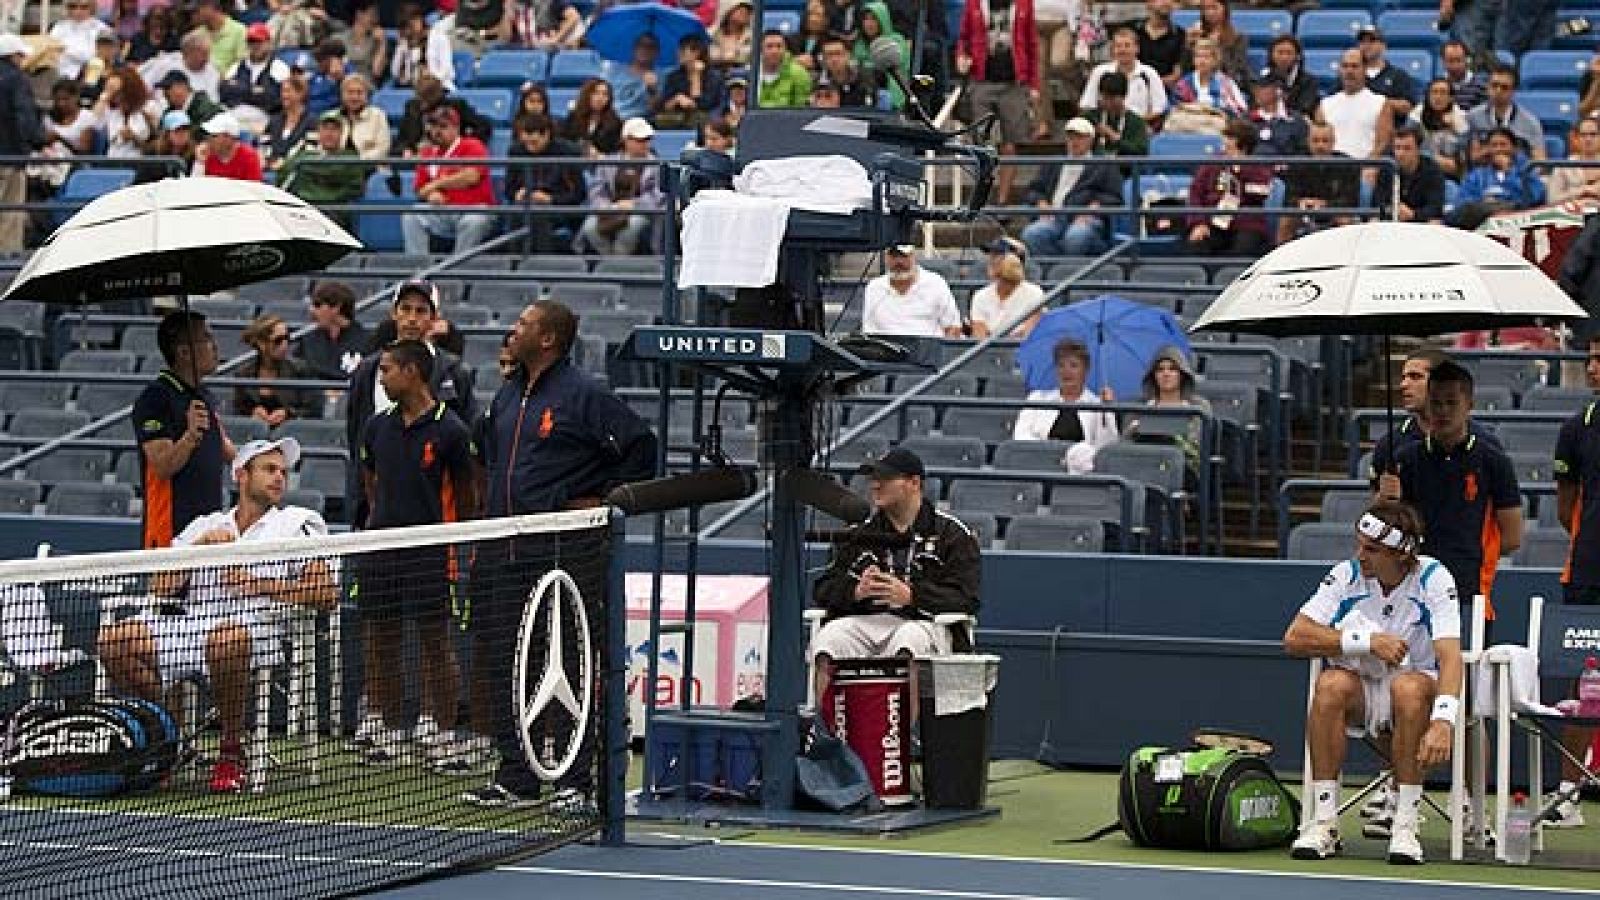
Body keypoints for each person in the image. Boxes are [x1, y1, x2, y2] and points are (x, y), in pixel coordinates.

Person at [463, 298, 657, 807]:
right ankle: (517, 777)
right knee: (509, 661)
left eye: (524, 323)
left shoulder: (585, 394)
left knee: (572, 660)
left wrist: (603, 497)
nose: (514, 328)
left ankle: (575, 780)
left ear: (547, 338)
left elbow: (642, 447)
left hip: (567, 550)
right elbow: (490, 459)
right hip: (504, 549)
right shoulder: (506, 395)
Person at [98, 438, 338, 793]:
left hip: (258, 628)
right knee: (114, 641)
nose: (279, 479)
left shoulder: (298, 523)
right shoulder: (204, 524)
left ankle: (230, 750)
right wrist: (197, 551)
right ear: (241, 475)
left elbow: (326, 594)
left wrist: (259, 585)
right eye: (269, 470)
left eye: (283, 472)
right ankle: (168, 739)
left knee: (226, 638)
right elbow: (159, 590)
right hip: (188, 625)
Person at [1284, 500, 1464, 865]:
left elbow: (1450, 657)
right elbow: (1295, 638)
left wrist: (1444, 720)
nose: (1360, 556)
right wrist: (1367, 642)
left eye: (1372, 550)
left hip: (1419, 685)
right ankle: (1324, 824)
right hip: (1364, 688)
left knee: (1408, 688)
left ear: (1402, 554)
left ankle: (1405, 827)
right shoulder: (1346, 574)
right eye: (1359, 545)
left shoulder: (1434, 577)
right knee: (1331, 684)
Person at [356, 339, 478, 769]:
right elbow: (372, 486)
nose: (382, 377)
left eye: (387, 369)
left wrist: (460, 546)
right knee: (380, 640)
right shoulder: (375, 427)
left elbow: (466, 498)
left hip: (432, 554)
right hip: (381, 549)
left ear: (412, 372)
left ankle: (440, 732)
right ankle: (388, 731)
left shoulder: (453, 432)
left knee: (435, 641)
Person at [809, 446, 981, 700]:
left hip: (924, 623)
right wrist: (855, 592)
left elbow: (966, 599)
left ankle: (902, 737)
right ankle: (826, 733)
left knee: (908, 640)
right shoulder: (858, 533)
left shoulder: (952, 534)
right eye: (873, 479)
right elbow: (822, 589)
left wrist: (912, 596)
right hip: (867, 620)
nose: (875, 486)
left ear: (913, 483)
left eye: (885, 479)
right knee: (829, 639)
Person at [1376, 361, 1522, 633]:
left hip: (1471, 591)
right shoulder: (1403, 460)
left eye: (1451, 402)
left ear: (1469, 404)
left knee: (1464, 673)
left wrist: (1473, 554)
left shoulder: (1493, 461)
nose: (1442, 411)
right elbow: (1378, 528)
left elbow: (1512, 538)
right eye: (1436, 403)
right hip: (1411, 587)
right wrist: (1385, 502)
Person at [344, 280, 477, 526]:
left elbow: (467, 452)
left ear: (435, 318)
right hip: (379, 508)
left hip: (432, 510)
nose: (411, 318)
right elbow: (357, 438)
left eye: (421, 311)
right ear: (393, 313)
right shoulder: (366, 371)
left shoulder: (454, 373)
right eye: (405, 309)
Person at [1549, 333, 1600, 829]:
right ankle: (1567, 794)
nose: (1593, 368)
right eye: (1591, 359)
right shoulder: (1575, 429)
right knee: (1585, 686)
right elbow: (1567, 507)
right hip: (1588, 573)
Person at [133, 311, 237, 549]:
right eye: (207, 339)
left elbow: (225, 450)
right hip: (170, 530)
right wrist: (190, 437)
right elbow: (161, 466)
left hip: (210, 528)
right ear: (184, 352)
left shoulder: (204, 396)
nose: (215, 346)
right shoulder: (155, 398)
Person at [956, 0, 1039, 201]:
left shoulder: (1024, 4)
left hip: (1014, 82)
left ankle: (1003, 199)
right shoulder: (974, 3)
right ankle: (981, 197)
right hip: (982, 79)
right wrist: (961, 56)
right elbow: (963, 38)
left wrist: (1034, 84)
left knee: (1011, 144)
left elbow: (1031, 44)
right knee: (981, 142)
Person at [1018, 117, 1124, 258]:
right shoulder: (1053, 163)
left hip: (1085, 217)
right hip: (1053, 216)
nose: (1074, 141)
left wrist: (1094, 207)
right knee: (1032, 234)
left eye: (1079, 137)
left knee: (1076, 236)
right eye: (1071, 137)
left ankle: (1067, 273)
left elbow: (1114, 196)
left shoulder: (1104, 165)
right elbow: (1034, 190)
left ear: (1090, 140)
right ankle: (1052, 272)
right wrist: (1041, 203)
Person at [1012, 337, 1118, 474]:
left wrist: (1107, 410)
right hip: (1040, 467)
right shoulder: (1037, 398)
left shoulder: (1097, 404)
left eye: (1073, 365)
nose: (1066, 371)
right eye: (1061, 365)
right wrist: (1049, 452)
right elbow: (1020, 436)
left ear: (1085, 370)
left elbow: (1106, 446)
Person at [403, 106, 496, 256]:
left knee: (474, 221)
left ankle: (457, 272)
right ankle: (417, 269)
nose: (437, 131)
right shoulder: (427, 153)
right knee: (411, 215)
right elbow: (420, 189)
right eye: (434, 126)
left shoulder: (472, 145)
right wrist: (430, 195)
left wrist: (436, 184)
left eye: (443, 126)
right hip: (442, 210)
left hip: (473, 208)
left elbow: (471, 176)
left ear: (456, 128)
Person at [1185, 118, 1274, 258]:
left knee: (1244, 248)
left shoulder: (1258, 167)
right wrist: (1198, 223)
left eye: (1230, 137)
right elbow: (1195, 193)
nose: (1225, 141)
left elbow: (1260, 194)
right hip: (1213, 221)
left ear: (1242, 143)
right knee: (1198, 244)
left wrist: (1240, 171)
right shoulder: (1211, 164)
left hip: (1246, 223)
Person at [1123, 346, 1210, 486]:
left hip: (1183, 468)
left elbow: (1196, 447)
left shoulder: (1198, 407)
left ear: (1182, 374)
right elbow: (1124, 446)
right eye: (1160, 369)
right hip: (1144, 466)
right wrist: (1133, 429)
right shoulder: (1139, 407)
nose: (1166, 374)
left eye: (1172, 369)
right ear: (1154, 375)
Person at [576, 117, 662, 256]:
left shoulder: (657, 165)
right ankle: (610, 262)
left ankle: (617, 265)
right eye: (638, 140)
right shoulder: (608, 163)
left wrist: (634, 204)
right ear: (626, 140)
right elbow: (596, 191)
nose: (644, 144)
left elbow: (657, 195)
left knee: (631, 229)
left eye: (647, 139)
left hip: (640, 212)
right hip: (609, 210)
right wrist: (607, 207)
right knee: (590, 228)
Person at [505, 112, 586, 254]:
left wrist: (550, 199)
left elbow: (579, 194)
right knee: (517, 213)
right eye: (526, 143)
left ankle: (542, 263)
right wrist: (517, 194)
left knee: (538, 214)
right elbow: (509, 189)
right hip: (525, 205)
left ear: (546, 134)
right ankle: (515, 262)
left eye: (534, 142)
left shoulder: (567, 152)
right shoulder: (516, 151)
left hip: (560, 207)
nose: (530, 147)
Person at [1278, 121, 1360, 244]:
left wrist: (1325, 205)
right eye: (1315, 141)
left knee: (1345, 219)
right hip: (1304, 211)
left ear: (1333, 142)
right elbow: (1289, 198)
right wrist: (1302, 202)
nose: (1320, 146)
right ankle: (1281, 260)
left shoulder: (1348, 164)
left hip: (1334, 210)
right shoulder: (1297, 164)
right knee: (1286, 219)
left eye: (1325, 141)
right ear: (1308, 142)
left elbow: (1351, 200)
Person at [281, 109, 365, 221]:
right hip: (303, 210)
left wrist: (312, 170)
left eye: (334, 129)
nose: (329, 133)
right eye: (325, 128)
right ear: (318, 132)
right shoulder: (303, 155)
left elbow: (354, 188)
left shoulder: (350, 158)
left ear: (341, 133)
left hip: (335, 212)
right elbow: (284, 176)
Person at [0, 33, 43, 254]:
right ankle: (6, 256)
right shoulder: (16, 80)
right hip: (10, 153)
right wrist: (37, 140)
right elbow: (24, 115)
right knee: (10, 210)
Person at [861, 245, 962, 338]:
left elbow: (953, 327)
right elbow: (869, 330)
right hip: (887, 353)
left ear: (913, 256)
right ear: (886, 258)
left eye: (904, 256)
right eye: (894, 257)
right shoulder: (874, 287)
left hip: (929, 353)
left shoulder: (936, 283)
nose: (899, 262)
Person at [1453, 126, 1547, 226]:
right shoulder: (1476, 175)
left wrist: (1508, 172)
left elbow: (1534, 197)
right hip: (1482, 221)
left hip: (1516, 219)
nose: (1499, 149)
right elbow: (1462, 202)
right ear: (1488, 149)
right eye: (1494, 145)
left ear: (1514, 148)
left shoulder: (1527, 171)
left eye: (1503, 145)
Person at [235, 315, 314, 426]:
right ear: (261, 343)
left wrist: (288, 413)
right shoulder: (243, 374)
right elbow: (239, 409)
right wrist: (252, 412)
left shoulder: (300, 370)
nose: (284, 345)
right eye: (278, 340)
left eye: (287, 338)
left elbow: (312, 409)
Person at [1317, 48, 1393, 163]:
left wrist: (1369, 166)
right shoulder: (1325, 104)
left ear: (1365, 69)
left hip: (1366, 169)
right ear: (1339, 69)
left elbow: (1383, 143)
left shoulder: (1381, 103)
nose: (1349, 71)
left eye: (1354, 66)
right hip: (1332, 170)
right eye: (1345, 66)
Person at [1080, 26, 1168, 124]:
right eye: (1118, 46)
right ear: (1112, 49)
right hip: (1105, 127)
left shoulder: (1150, 73)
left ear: (1137, 48)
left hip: (1140, 127)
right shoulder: (1099, 72)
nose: (1122, 50)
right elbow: (1087, 106)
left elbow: (1159, 110)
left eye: (1127, 45)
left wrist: (1133, 125)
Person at [1466, 65, 1546, 164]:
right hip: (1483, 175)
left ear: (1513, 91)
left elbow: (1540, 162)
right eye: (1494, 85)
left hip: (1518, 175)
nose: (1498, 91)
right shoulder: (1473, 117)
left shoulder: (1530, 123)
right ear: (1487, 87)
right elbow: (1472, 158)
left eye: (1504, 87)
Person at [218, 22, 288, 133]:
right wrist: (254, 92)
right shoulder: (236, 67)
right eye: (251, 42)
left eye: (259, 42)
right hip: (235, 119)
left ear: (268, 43)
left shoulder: (279, 68)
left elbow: (274, 100)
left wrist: (242, 91)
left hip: (265, 121)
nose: (255, 46)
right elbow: (225, 94)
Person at [296, 279, 369, 381]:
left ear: (336, 307)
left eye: (317, 305)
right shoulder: (307, 340)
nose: (311, 310)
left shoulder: (367, 341)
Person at [1373, 125, 1448, 224]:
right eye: (1397, 148)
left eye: (1407, 148)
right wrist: (1393, 210)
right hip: (1391, 222)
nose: (1401, 154)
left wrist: (1413, 214)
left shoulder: (1432, 171)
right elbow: (1377, 202)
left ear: (1418, 149)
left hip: (1420, 224)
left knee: (1435, 222)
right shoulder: (1387, 169)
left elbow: (1435, 208)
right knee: (1374, 220)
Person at [968, 251, 1041, 339]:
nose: (1006, 284)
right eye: (1003, 279)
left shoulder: (1035, 293)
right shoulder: (980, 296)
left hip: (1021, 347)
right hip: (988, 349)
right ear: (995, 277)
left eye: (1010, 281)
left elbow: (1030, 335)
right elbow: (979, 335)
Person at [1169, 37, 1246, 120]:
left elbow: (1240, 110)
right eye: (1198, 56)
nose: (1201, 61)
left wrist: (1217, 111)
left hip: (1217, 123)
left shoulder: (1225, 83)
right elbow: (1174, 107)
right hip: (1189, 123)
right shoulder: (1184, 83)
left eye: (1206, 57)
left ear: (1215, 60)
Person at [656, 34, 725, 125]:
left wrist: (696, 76)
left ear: (696, 53)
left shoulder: (713, 76)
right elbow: (663, 105)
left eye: (683, 50)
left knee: (699, 118)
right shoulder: (674, 76)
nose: (679, 53)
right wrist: (676, 99)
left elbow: (705, 105)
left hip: (706, 119)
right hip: (677, 118)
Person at [1410, 77, 1470, 181]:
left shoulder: (1460, 117)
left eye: (1443, 93)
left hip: (1451, 173)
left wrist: (1454, 128)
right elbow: (1407, 143)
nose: (1438, 97)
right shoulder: (1417, 114)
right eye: (1434, 92)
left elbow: (1465, 154)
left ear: (1451, 97)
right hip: (1421, 168)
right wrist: (1433, 158)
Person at [1358, 27, 1417, 127]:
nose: (1366, 45)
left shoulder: (1398, 75)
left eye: (1372, 41)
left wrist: (1379, 102)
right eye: (1363, 42)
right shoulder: (1350, 74)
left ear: (1383, 46)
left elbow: (1409, 106)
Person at [1082, 72, 1151, 157]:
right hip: (1094, 166)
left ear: (1124, 96)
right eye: (1105, 98)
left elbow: (1141, 151)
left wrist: (1116, 138)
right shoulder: (1090, 117)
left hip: (1124, 168)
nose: (1108, 102)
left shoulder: (1135, 121)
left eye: (1112, 98)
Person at [1182, 0, 1248, 85]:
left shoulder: (1238, 38)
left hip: (1227, 86)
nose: (1210, 12)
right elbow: (1185, 71)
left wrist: (1217, 48)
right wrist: (1188, 46)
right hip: (1197, 85)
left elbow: (1234, 71)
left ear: (1224, 9)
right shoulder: (1197, 35)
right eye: (1206, 9)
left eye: (1214, 7)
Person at [1246, 72, 1309, 158]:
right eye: (1255, 87)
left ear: (1278, 90)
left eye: (1262, 87)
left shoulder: (1296, 121)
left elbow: (1303, 154)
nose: (1256, 91)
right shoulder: (1246, 120)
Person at [604, 34, 661, 121]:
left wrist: (652, 90)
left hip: (639, 121)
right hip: (611, 118)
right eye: (640, 45)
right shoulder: (614, 70)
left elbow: (656, 109)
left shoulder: (661, 76)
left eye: (650, 47)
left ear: (656, 52)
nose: (644, 50)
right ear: (634, 48)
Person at [561, 78, 623, 157]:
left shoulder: (615, 122)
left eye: (605, 94)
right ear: (587, 94)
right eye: (596, 93)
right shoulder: (574, 117)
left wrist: (600, 155)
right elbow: (565, 142)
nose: (600, 98)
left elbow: (615, 150)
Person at [336, 73, 392, 161]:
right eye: (350, 92)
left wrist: (359, 160)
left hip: (370, 167)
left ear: (367, 96)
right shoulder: (333, 116)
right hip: (337, 166)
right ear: (342, 95)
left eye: (359, 92)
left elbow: (382, 149)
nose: (355, 97)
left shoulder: (378, 116)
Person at [1262, 34, 1320, 119]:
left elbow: (1304, 109)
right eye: (1280, 52)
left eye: (1289, 53)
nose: (1284, 57)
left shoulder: (1309, 81)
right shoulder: (1263, 81)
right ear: (1271, 55)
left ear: (1297, 56)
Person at [196, 112, 264, 182]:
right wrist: (200, 162)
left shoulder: (250, 157)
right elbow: (200, 185)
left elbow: (253, 189)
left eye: (214, 136)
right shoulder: (208, 155)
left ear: (228, 138)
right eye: (208, 135)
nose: (209, 139)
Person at [263, 74, 312, 171]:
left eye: (288, 91)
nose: (284, 95)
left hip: (296, 170)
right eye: (282, 91)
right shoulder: (274, 120)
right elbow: (264, 145)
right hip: (270, 169)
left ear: (301, 93)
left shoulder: (311, 122)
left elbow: (309, 150)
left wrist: (285, 164)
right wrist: (269, 162)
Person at [1548, 117, 1600, 206]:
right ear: (1577, 138)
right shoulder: (1563, 167)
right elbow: (1552, 200)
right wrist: (1582, 191)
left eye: (1593, 134)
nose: (1588, 139)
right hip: (1571, 217)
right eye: (1583, 135)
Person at [757, 29, 812, 109]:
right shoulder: (751, 73)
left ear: (785, 49)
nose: (774, 51)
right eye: (769, 46)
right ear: (760, 49)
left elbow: (800, 109)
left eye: (779, 46)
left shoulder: (800, 74)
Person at [1136, 0, 1183, 88]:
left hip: (1166, 92)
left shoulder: (1180, 35)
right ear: (1148, 3)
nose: (1167, 2)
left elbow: (1176, 75)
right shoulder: (1134, 31)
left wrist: (1153, 84)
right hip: (1134, 88)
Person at [1438, 40, 1486, 114]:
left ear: (1467, 60)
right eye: (1450, 61)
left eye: (1459, 60)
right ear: (1443, 62)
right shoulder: (1436, 86)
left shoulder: (1481, 85)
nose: (1455, 65)